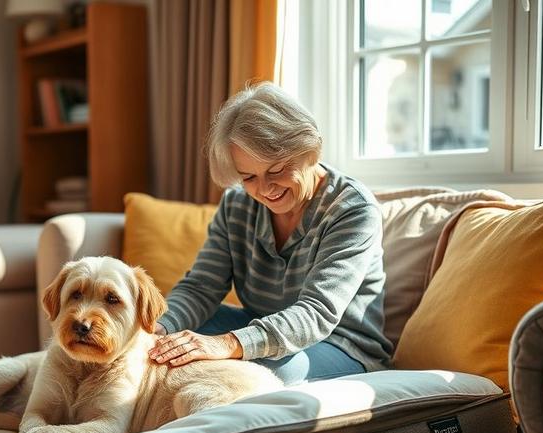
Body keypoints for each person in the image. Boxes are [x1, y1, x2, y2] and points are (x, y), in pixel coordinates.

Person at [148, 82, 393, 385]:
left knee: (259, 373)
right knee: (157, 342)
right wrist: (160, 328)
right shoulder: (237, 203)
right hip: (263, 330)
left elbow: (316, 314)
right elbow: (201, 287)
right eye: (249, 176)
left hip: (339, 345)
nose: (264, 190)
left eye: (276, 171)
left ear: (309, 150)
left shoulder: (352, 209)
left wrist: (227, 344)